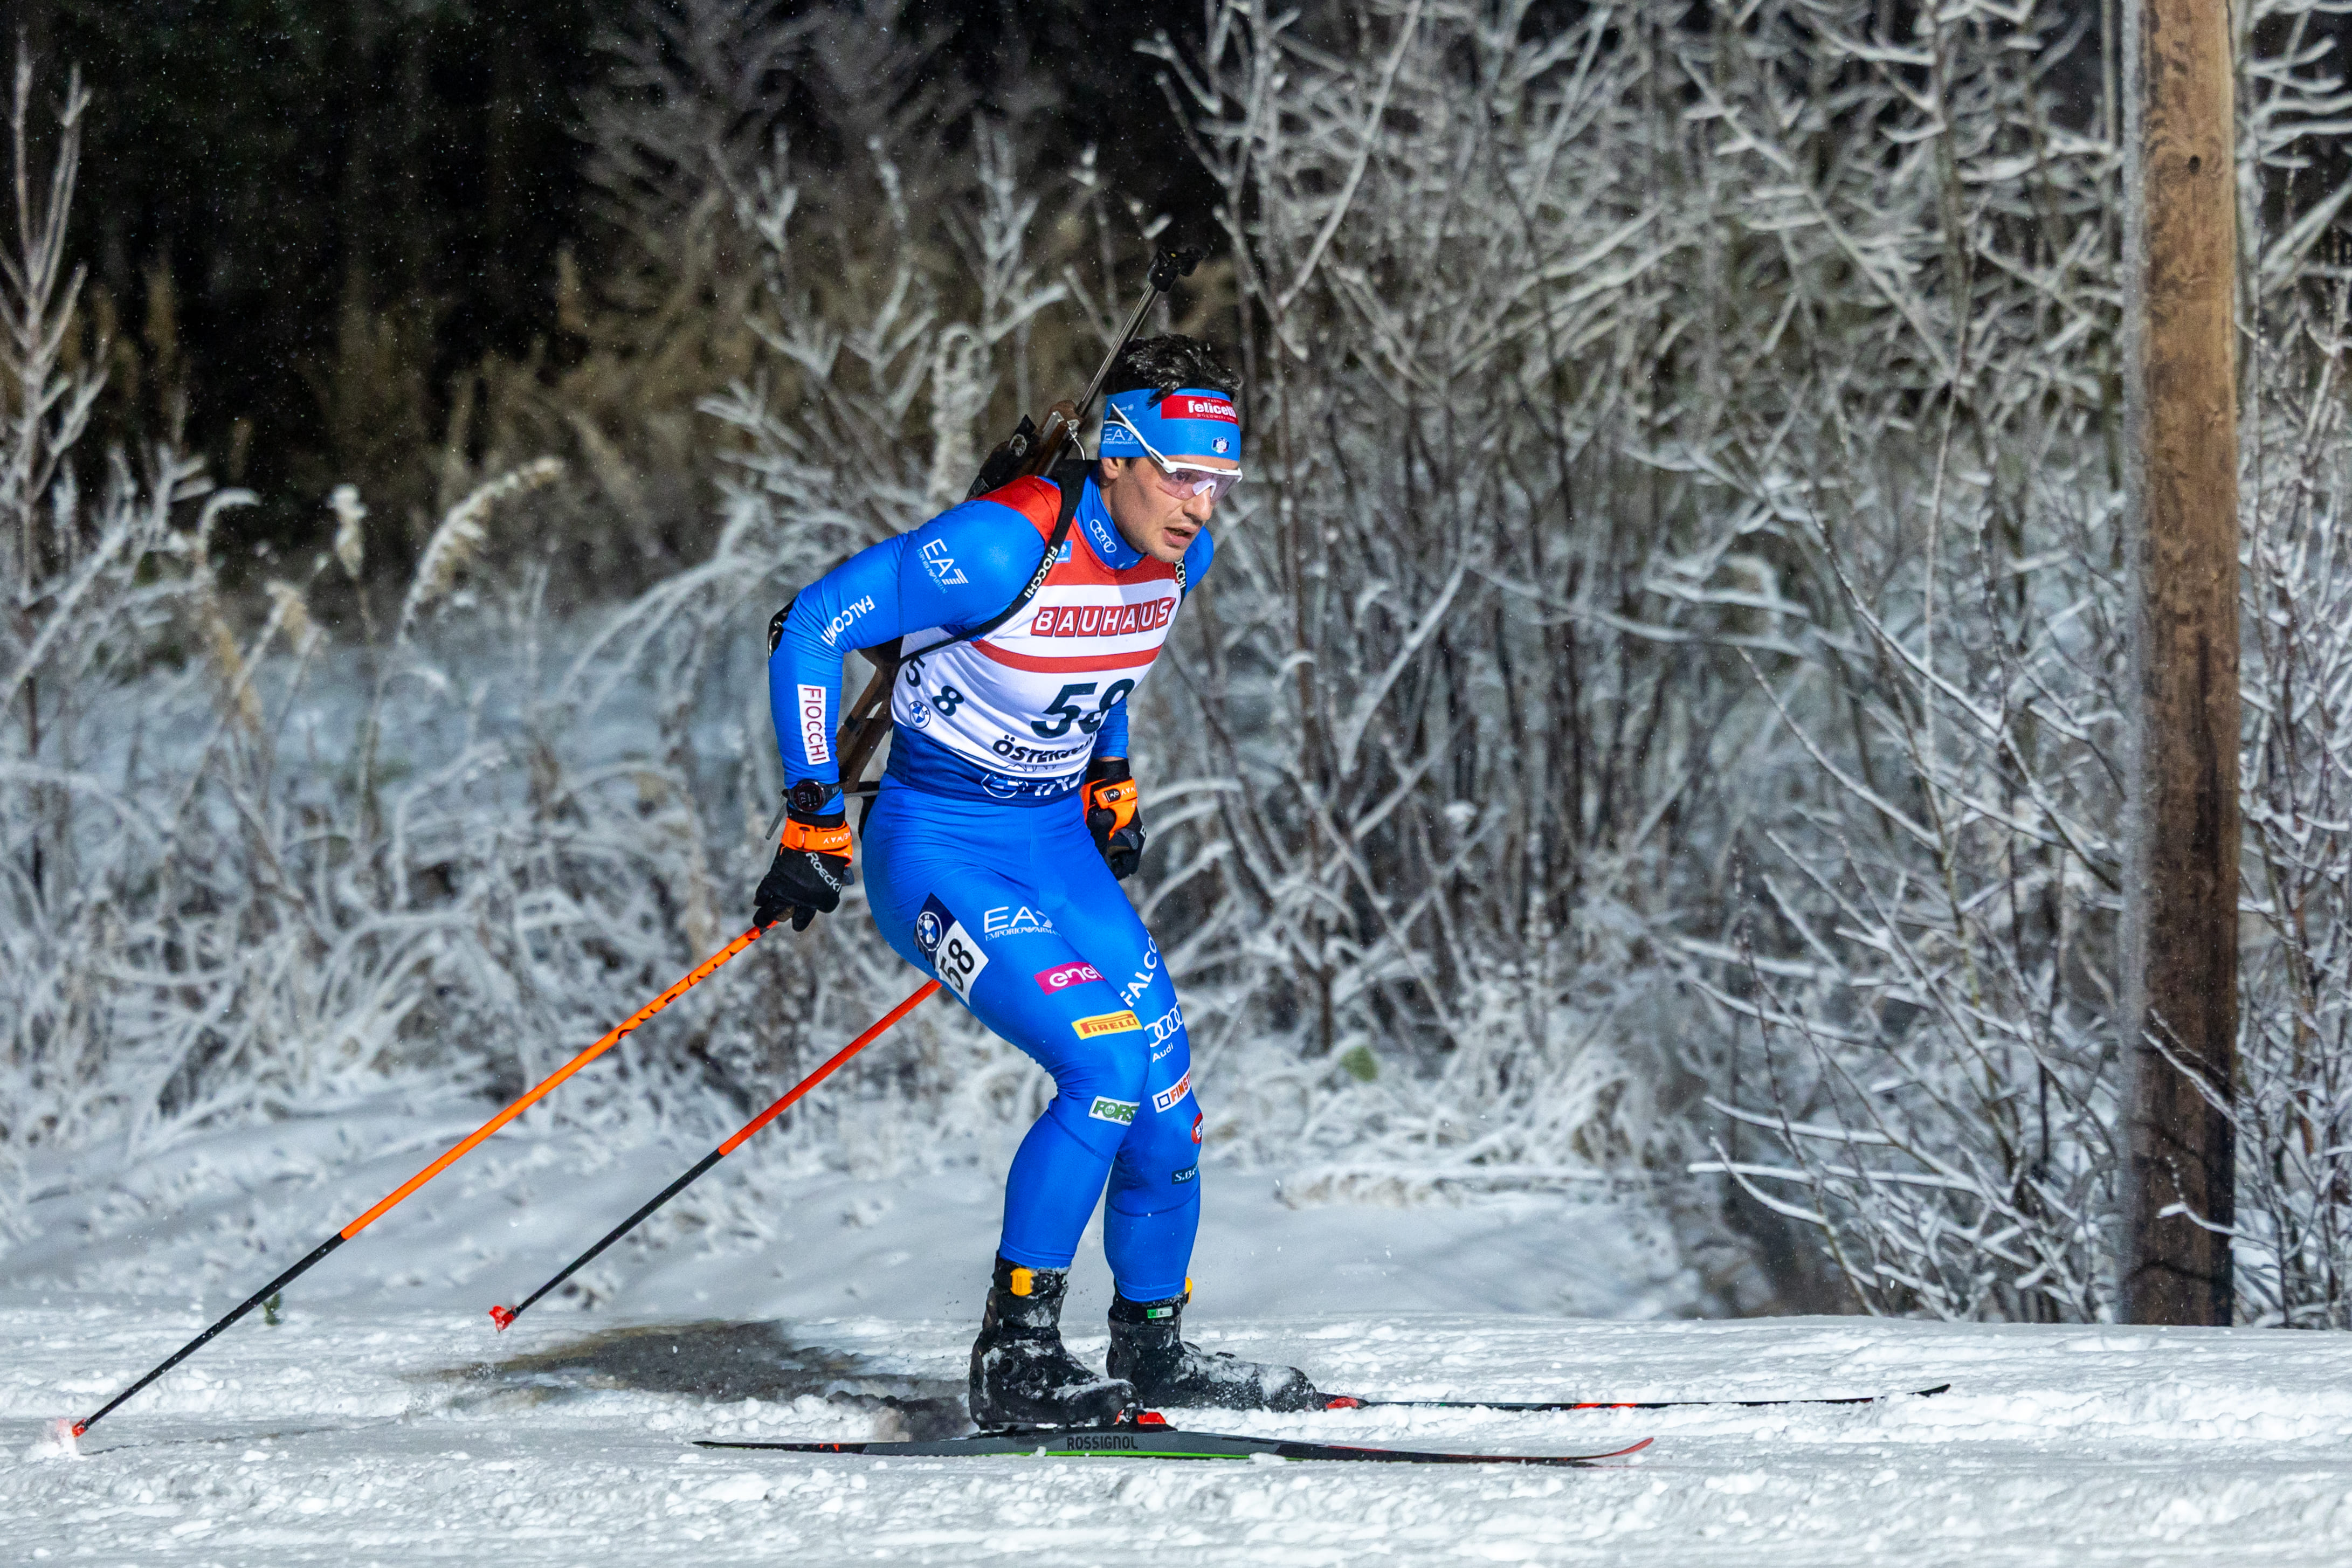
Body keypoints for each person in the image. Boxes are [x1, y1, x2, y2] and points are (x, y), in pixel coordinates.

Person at [755, 335, 1320, 1427]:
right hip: (941, 846)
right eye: (1179, 475)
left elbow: (1098, 666)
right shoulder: (1003, 544)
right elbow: (813, 625)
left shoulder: (1175, 556)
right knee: (1101, 1062)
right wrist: (814, 813)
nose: (1200, 507)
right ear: (1116, 455)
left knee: (1165, 1105)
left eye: (1218, 483)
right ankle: (1015, 1357)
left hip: (1054, 845)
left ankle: (1151, 1348)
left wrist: (1110, 774)